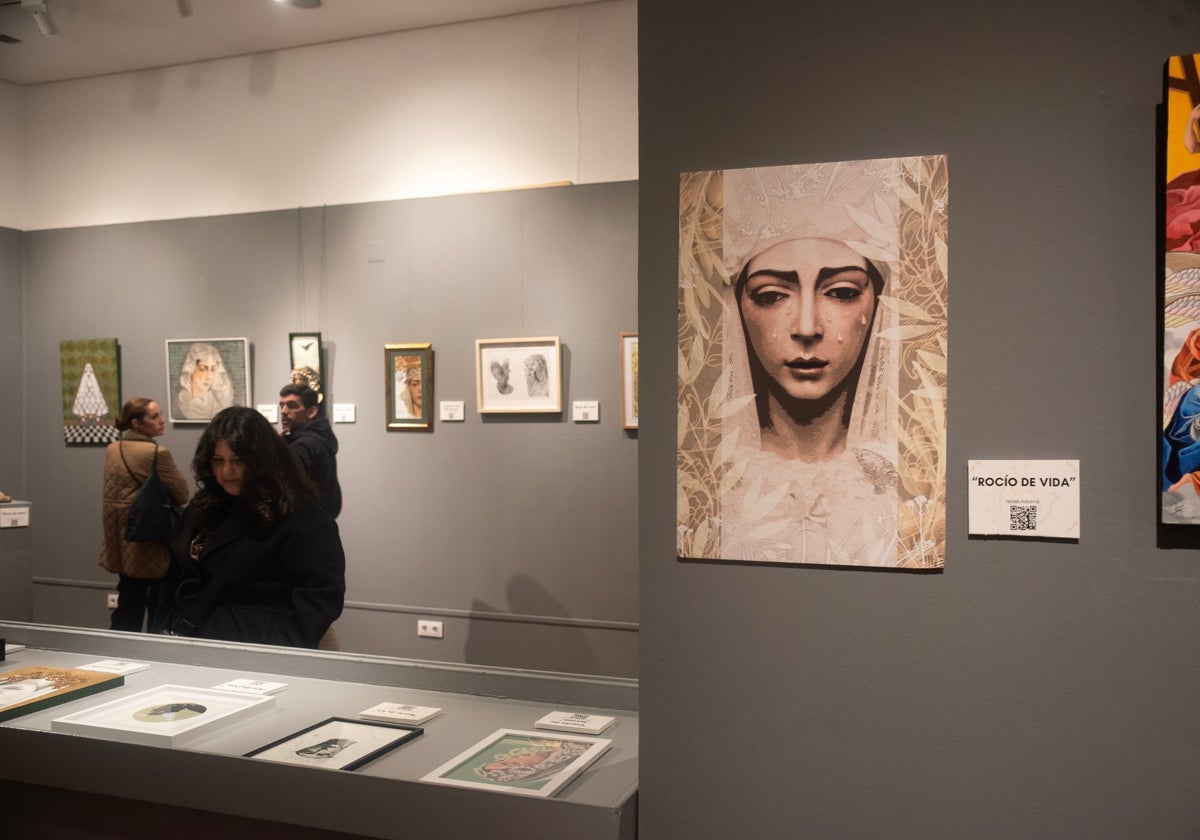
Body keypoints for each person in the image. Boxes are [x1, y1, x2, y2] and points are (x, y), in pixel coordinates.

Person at [701, 159, 919, 567]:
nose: (807, 327)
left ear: (876, 305)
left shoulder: (906, 479)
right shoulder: (711, 482)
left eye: (840, 292)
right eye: (771, 295)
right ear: (739, 309)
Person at [153, 406, 345, 648]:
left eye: (238, 460)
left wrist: (280, 654)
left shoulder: (301, 516)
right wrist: (159, 635)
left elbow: (318, 596)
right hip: (195, 643)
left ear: (262, 461)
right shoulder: (202, 507)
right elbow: (174, 577)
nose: (227, 471)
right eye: (218, 460)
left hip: (261, 652)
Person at [98, 398, 190, 632]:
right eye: (155, 417)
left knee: (128, 601)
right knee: (157, 602)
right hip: (148, 536)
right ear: (137, 423)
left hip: (120, 537)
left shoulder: (113, 448)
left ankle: (118, 654)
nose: (162, 420)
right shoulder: (156, 453)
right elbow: (181, 493)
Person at [279, 381, 342, 518]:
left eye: (292, 406)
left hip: (304, 527)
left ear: (312, 412)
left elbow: (289, 494)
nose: (283, 411)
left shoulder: (303, 446)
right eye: (282, 405)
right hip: (321, 524)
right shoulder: (321, 438)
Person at [177, 342, 234, 420]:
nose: (209, 376)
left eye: (213, 369)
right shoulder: (182, 400)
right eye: (202, 369)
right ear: (191, 370)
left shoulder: (216, 403)